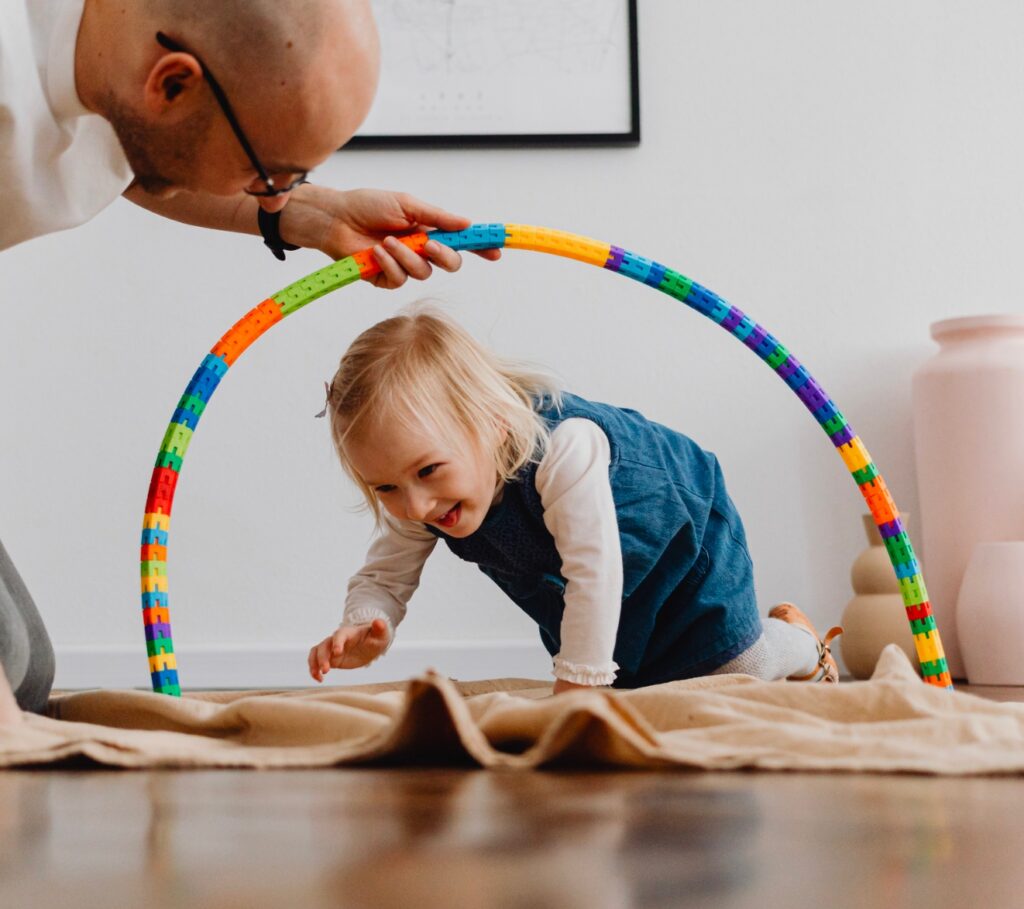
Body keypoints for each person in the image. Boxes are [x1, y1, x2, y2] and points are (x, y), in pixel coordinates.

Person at [0, 0, 498, 718]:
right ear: (172, 84)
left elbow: (129, 161)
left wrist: (308, 211)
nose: (264, 191)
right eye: (266, 173)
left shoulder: (114, 66)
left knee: (25, 668)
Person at [308, 309, 842, 692]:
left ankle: (795, 642)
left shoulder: (566, 448)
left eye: (428, 471)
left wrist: (578, 686)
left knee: (734, 671)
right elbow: (385, 576)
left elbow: (594, 571)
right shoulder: (421, 493)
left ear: (492, 426)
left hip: (685, 536)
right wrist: (365, 620)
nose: (417, 505)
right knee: (642, 685)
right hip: (597, 580)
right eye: (385, 488)